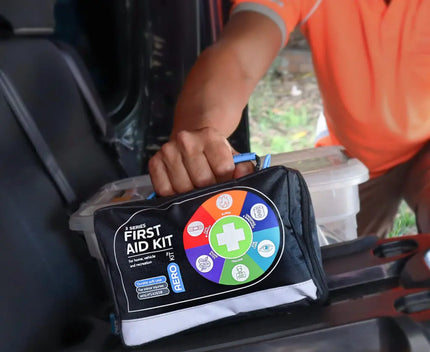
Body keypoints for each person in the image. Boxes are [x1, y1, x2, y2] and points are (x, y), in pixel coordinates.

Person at [148, 0, 430, 238]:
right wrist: (203, 135)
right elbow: (239, 57)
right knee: (349, 259)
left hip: (425, 145)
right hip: (354, 152)